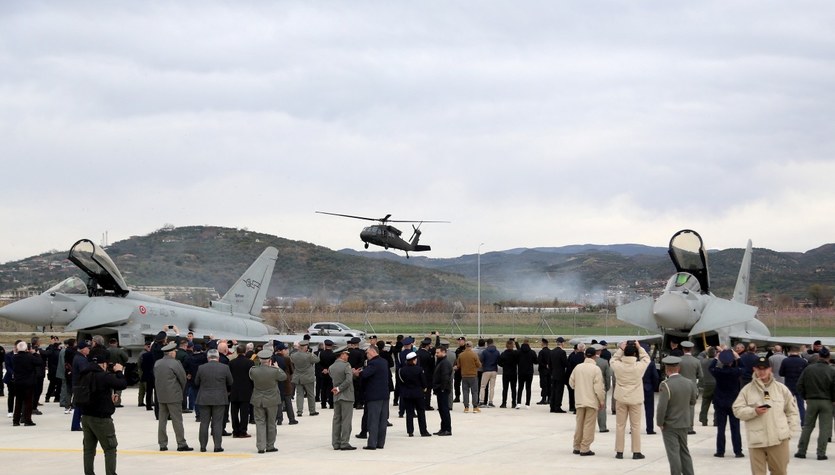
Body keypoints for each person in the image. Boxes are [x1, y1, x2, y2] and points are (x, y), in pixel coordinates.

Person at [733, 356, 799, 475]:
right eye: (759, 369)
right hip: (757, 440)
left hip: (779, 440)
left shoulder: (781, 389)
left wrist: (789, 432)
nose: (762, 372)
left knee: (780, 472)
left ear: (770, 369)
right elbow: (737, 410)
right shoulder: (747, 390)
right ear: (754, 369)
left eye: (765, 368)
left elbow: (792, 411)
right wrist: (754, 412)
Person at [79, 348, 127, 475]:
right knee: (110, 448)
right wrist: (119, 372)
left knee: (88, 449)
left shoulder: (84, 374)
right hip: (101, 419)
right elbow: (122, 384)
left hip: (86, 416)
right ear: (103, 364)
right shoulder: (103, 376)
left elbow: (94, 392)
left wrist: (107, 398)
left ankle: (89, 472)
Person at [610, 340, 651, 459]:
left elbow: (613, 360)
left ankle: (619, 451)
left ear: (624, 353)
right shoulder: (638, 366)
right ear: (635, 354)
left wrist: (620, 349)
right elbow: (646, 358)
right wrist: (639, 348)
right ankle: (636, 451)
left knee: (620, 425)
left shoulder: (618, 366)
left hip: (621, 398)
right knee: (636, 426)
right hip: (635, 399)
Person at [657, 356, 698, 475]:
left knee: (673, 452)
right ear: (678, 368)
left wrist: (660, 422)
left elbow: (662, 407)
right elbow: (693, 402)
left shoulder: (666, 385)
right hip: (685, 422)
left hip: (670, 424)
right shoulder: (689, 383)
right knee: (684, 451)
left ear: (666, 370)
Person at [794, 346, 834, 460]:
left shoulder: (809, 369)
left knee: (807, 427)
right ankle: (821, 453)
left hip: (811, 400)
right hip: (827, 401)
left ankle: (801, 451)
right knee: (824, 428)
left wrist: (805, 396)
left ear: (819, 356)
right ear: (828, 357)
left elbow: (799, 385)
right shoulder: (832, 370)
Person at [153, 341, 193, 452]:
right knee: (177, 421)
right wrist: (180, 390)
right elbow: (183, 379)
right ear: (171, 353)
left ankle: (162, 444)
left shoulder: (157, 363)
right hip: (174, 395)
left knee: (162, 420)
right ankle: (181, 443)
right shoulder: (175, 363)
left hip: (161, 395)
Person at [194, 348, 234, 453]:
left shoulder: (201, 368)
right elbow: (230, 381)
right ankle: (217, 446)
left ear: (208, 358)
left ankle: (203, 446)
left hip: (204, 398)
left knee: (204, 423)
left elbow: (196, 382)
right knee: (217, 423)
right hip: (219, 398)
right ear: (218, 358)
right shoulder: (224, 367)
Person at [568, 346, 605, 456]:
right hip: (591, 401)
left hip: (580, 400)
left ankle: (576, 446)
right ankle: (585, 447)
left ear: (584, 355)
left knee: (579, 424)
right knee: (589, 425)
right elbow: (598, 388)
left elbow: (571, 382)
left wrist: (579, 388)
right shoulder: (596, 369)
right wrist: (601, 401)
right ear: (595, 356)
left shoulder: (578, 367)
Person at [710, 349, 745, 458]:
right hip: (733, 403)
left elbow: (710, 368)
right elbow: (744, 368)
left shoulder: (718, 372)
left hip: (720, 402)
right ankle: (738, 451)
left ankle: (720, 451)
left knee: (721, 429)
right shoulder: (735, 372)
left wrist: (716, 358)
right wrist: (738, 357)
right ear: (731, 362)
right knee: (735, 428)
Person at [249, 348, 284, 454]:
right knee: (271, 423)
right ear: (270, 360)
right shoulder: (274, 371)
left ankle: (260, 446)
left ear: (259, 359)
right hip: (272, 400)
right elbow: (283, 377)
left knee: (260, 423)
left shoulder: (253, 370)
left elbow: (251, 378)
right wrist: (278, 368)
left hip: (258, 399)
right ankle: (270, 445)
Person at [360, 344, 390, 449]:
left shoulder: (373, 363)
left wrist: (357, 373)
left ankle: (372, 443)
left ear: (372, 352)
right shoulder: (383, 362)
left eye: (367, 353)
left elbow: (365, 375)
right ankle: (380, 443)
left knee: (373, 420)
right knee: (382, 421)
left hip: (374, 396)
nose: (366, 355)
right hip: (384, 395)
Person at [399, 351, 432, 437]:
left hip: (407, 393)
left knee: (409, 413)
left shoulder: (402, 370)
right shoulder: (419, 369)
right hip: (418, 393)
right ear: (413, 360)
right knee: (421, 412)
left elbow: (401, 382)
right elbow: (424, 383)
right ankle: (423, 431)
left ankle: (410, 431)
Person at [330, 345, 357, 450]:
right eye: (346, 354)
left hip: (336, 397)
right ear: (341, 355)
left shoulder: (331, 367)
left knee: (336, 420)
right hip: (346, 396)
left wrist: (337, 389)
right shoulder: (346, 365)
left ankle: (335, 443)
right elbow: (348, 380)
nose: (348, 356)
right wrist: (339, 388)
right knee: (346, 420)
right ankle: (344, 442)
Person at [12, 341, 42, 426]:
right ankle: (27, 420)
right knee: (28, 402)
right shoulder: (30, 357)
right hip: (28, 382)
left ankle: (16, 420)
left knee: (18, 402)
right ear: (26, 349)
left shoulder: (15, 357)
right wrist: (36, 353)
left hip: (18, 382)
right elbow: (39, 362)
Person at [228, 345, 254, 438]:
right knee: (244, 412)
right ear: (245, 351)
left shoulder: (231, 363)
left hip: (234, 390)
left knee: (234, 412)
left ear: (237, 352)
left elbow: (229, 377)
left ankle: (235, 431)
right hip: (246, 390)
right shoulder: (250, 363)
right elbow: (252, 377)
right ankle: (243, 431)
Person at [290, 340, 320, 417]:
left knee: (299, 395)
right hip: (308, 377)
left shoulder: (293, 355)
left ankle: (299, 411)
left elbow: (292, 361)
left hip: (298, 377)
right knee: (310, 394)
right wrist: (311, 353)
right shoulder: (309, 355)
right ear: (305, 347)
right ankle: (312, 410)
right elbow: (317, 360)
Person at [678, 341, 702, 434]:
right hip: (692, 386)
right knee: (691, 407)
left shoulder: (679, 360)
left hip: (680, 386)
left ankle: (681, 426)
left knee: (679, 407)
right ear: (691, 349)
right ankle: (690, 428)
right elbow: (701, 375)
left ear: (683, 349)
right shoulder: (696, 361)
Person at [779, 346, 808, 424]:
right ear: (798, 352)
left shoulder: (785, 361)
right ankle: (803, 422)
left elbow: (781, 373)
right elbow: (806, 374)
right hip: (799, 386)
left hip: (789, 386)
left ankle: (786, 421)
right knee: (801, 406)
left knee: (787, 405)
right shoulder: (803, 361)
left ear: (790, 352)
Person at [433, 345, 453, 436]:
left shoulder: (445, 363)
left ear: (444, 352)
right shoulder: (440, 362)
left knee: (444, 410)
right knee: (441, 409)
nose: (436, 354)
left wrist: (442, 388)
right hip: (440, 389)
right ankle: (443, 428)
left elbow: (445, 377)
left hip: (443, 390)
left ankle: (447, 429)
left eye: (438, 352)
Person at [456, 341, 481, 413]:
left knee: (465, 391)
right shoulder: (474, 355)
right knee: (474, 392)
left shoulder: (461, 355)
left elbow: (458, 365)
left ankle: (466, 407)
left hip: (464, 375)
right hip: (473, 375)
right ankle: (475, 407)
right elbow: (479, 365)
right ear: (471, 346)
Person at [642, 344, 660, 434]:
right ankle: (650, 428)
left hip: (637, 388)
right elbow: (656, 377)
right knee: (649, 410)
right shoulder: (651, 363)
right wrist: (655, 387)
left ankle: (633, 428)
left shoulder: (636, 361)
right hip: (648, 388)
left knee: (634, 410)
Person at [478, 338, 499, 408]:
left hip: (486, 370)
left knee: (483, 386)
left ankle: (481, 401)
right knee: (492, 387)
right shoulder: (497, 352)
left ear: (487, 344)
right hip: (494, 370)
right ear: (493, 343)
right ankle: (490, 402)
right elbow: (498, 361)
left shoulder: (485, 352)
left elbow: (481, 360)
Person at [549, 337, 568, 413]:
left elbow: (549, 364)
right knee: (559, 391)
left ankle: (552, 406)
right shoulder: (562, 352)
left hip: (553, 374)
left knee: (553, 390)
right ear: (562, 343)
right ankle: (557, 406)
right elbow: (565, 364)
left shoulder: (552, 352)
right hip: (560, 374)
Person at [498, 339, 519, 408]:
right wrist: (516, 343)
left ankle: (504, 403)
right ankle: (514, 403)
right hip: (513, 372)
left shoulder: (504, 354)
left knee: (505, 389)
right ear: (513, 346)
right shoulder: (515, 353)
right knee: (513, 388)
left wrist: (504, 365)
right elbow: (520, 351)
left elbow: (499, 363)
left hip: (506, 372)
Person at [517, 340, 537, 408]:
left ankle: (518, 403)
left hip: (521, 372)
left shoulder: (519, 352)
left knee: (520, 387)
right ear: (528, 344)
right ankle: (527, 403)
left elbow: (516, 361)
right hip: (529, 372)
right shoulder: (532, 352)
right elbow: (536, 362)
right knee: (528, 388)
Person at [536, 338, 551, 405]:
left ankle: (543, 398)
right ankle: (549, 398)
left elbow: (539, 361)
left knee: (543, 385)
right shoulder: (550, 351)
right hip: (549, 371)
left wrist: (544, 365)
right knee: (549, 384)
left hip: (543, 371)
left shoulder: (541, 352)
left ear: (543, 343)